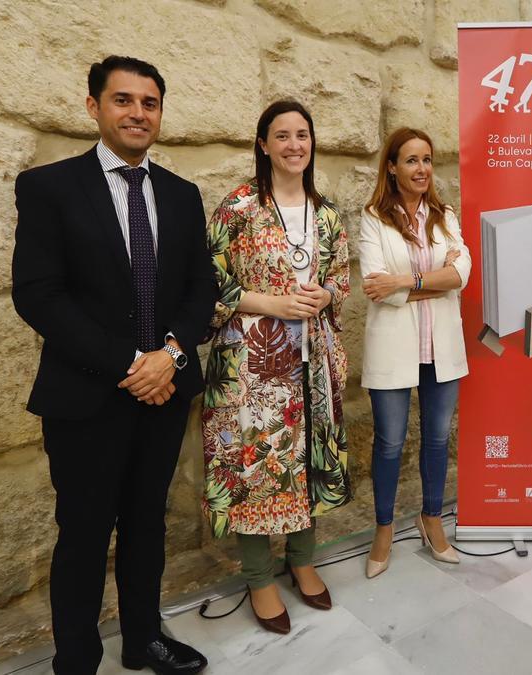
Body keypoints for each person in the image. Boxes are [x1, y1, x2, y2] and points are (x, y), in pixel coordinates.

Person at [11, 56, 215, 674]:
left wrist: (172, 357)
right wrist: (134, 363)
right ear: (94, 106)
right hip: (87, 397)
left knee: (148, 525)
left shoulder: (182, 195)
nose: (137, 112)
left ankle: (143, 639)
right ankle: (76, 658)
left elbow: (200, 289)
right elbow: (39, 294)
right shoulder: (49, 187)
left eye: (149, 102)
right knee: (83, 533)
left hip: (165, 392)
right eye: (123, 100)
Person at [202, 99, 352, 634]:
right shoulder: (238, 208)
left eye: (303, 135)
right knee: (256, 468)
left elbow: (342, 278)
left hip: (313, 362)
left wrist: (325, 292)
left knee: (308, 461)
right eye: (282, 135)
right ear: (263, 143)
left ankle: (303, 560)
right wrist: (274, 303)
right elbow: (208, 281)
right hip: (253, 368)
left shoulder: (328, 212)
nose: (294, 145)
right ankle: (260, 576)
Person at [359, 127, 471, 578]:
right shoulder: (374, 217)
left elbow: (461, 274)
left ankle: (431, 520)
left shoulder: (444, 215)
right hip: (393, 346)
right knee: (389, 443)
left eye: (427, 160)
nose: (422, 169)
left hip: (441, 346)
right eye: (411, 160)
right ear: (392, 166)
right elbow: (373, 286)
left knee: (438, 440)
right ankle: (383, 529)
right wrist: (435, 281)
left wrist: (406, 281)